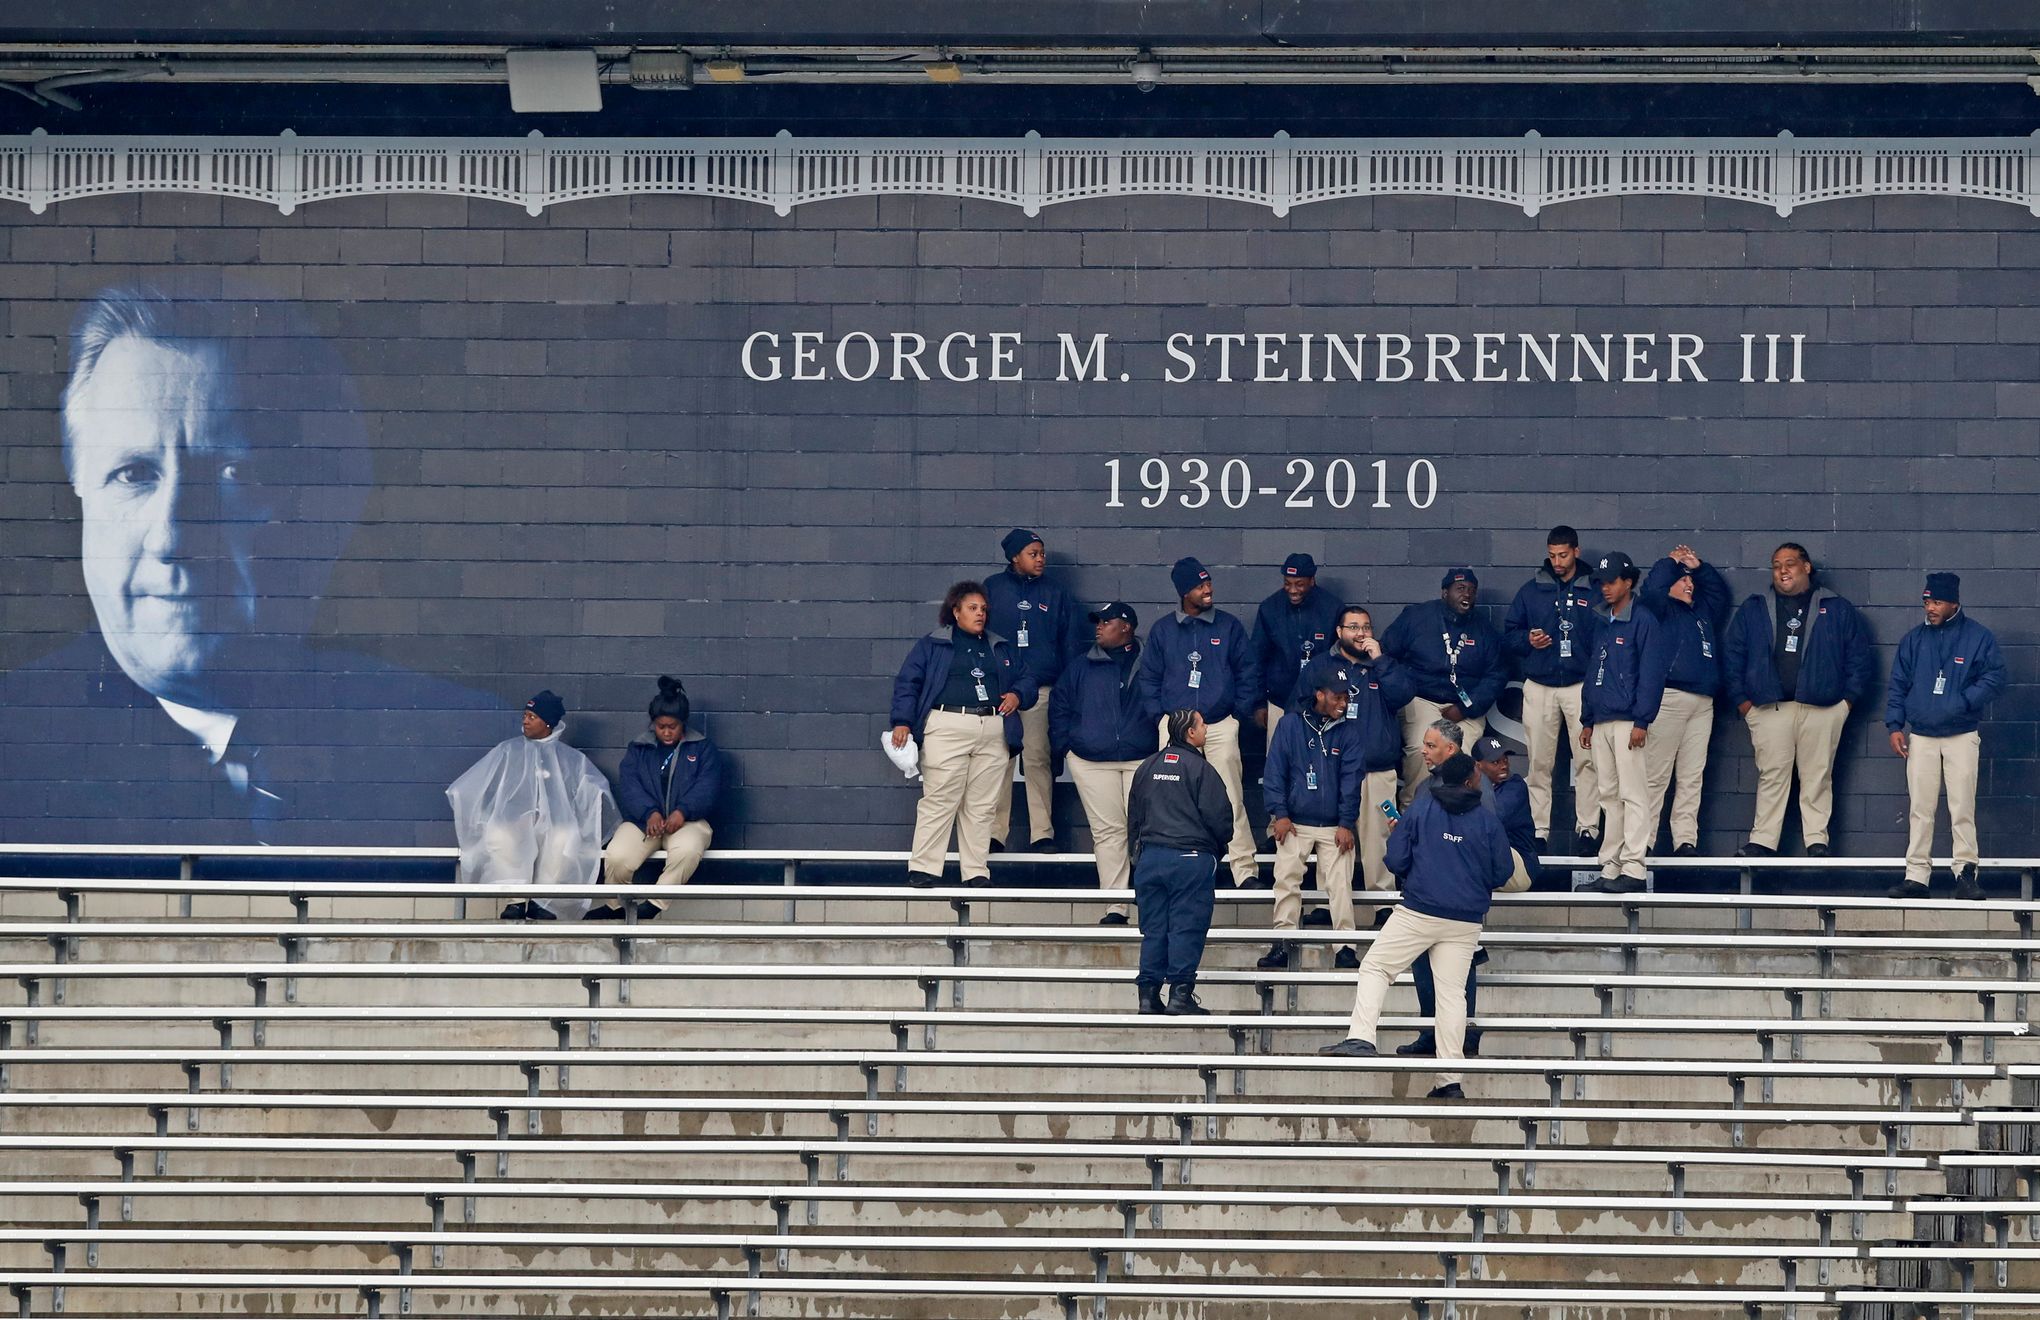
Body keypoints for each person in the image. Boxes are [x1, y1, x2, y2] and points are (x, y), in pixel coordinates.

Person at [0, 285, 500, 845]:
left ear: (326, 511)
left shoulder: (471, 755)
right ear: (80, 491)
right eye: (133, 474)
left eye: (233, 476)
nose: (170, 537)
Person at [1320, 751, 1513, 1101]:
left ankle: (1362, 1038)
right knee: (1452, 996)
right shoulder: (1487, 820)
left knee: (1376, 967)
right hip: (1465, 919)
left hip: (1419, 910)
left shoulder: (1422, 809)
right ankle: (1449, 1081)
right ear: (1473, 780)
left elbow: (1394, 858)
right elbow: (1502, 872)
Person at [1722, 543, 1876, 858]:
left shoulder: (1836, 607)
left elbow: (1859, 659)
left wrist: (1844, 704)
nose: (1782, 570)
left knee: (1817, 776)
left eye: (1790, 563)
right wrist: (1744, 703)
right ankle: (1763, 841)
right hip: (1770, 708)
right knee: (1771, 776)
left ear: (1806, 567)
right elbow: (1732, 656)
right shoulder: (1755, 607)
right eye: (1776, 564)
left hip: (1821, 709)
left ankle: (1817, 841)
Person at [890, 581, 1038, 887]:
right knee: (941, 797)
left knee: (983, 804)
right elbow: (908, 683)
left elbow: (1027, 679)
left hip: (993, 725)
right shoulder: (934, 644)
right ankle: (924, 868)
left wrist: (1017, 696)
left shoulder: (999, 645)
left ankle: (976, 871)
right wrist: (902, 721)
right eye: (972, 608)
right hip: (947, 724)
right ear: (955, 612)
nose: (980, 613)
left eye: (983, 609)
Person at [1399, 734, 1538, 1058]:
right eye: (1494, 761)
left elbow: (1485, 838)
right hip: (1451, 881)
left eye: (1504, 759)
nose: (1502, 765)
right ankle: (1430, 1031)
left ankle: (1465, 1034)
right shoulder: (1430, 786)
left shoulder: (1500, 788)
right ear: (1476, 766)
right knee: (1427, 957)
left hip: (1491, 872)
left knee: (1459, 959)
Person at [1136, 557, 1263, 887]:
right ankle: (1172, 864)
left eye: (1208, 583)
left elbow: (1248, 672)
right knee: (1169, 795)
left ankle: (1244, 871)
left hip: (1218, 725)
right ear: (1182, 592)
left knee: (1231, 796)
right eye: (1199, 586)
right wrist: (1161, 717)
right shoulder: (1164, 629)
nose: (1207, 590)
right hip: (1175, 726)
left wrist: (1236, 711)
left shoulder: (1228, 626)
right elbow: (1148, 677)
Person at [447, 691, 619, 921]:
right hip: (514, 825)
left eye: (532, 716)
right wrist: (511, 817)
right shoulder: (508, 751)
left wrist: (558, 819)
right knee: (499, 835)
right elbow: (484, 788)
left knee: (564, 839)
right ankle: (515, 900)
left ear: (547, 723)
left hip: (556, 828)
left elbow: (592, 791)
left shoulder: (571, 759)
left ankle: (543, 900)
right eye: (525, 715)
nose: (525, 720)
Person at [1886, 573, 2006, 902]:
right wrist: (1895, 725)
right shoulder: (1913, 639)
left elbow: (1996, 677)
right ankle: (1916, 876)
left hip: (1962, 734)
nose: (1931, 608)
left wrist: (1964, 701)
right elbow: (1897, 684)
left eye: (1937, 602)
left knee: (1961, 807)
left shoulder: (1978, 637)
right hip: (1922, 735)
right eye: (1927, 602)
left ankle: (1966, 873)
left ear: (1954, 602)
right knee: (1920, 808)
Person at [1049, 602, 1156, 925]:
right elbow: (1060, 706)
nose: (1098, 627)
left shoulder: (1150, 661)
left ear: (1126, 626)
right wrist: (1066, 748)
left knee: (1149, 832)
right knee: (1108, 833)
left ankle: (1150, 903)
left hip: (1143, 758)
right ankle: (1115, 906)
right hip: (1092, 761)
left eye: (1105, 622)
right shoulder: (1081, 666)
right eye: (1097, 622)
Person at [1126, 709, 1235, 1015]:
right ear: (1190, 733)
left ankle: (1147, 997)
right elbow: (1221, 818)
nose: (1206, 729)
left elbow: (1133, 817)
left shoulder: (1146, 767)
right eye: (1202, 725)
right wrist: (1216, 849)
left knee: (1154, 930)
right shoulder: (1201, 769)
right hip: (1190, 860)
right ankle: (1180, 995)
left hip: (1150, 859)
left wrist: (1138, 856)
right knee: (1186, 928)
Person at [1256, 668, 1364, 971]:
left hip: (1334, 824)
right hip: (1295, 820)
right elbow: (1275, 770)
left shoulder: (1349, 731)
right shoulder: (1290, 724)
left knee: (1340, 883)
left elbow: (1351, 780)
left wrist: (1346, 822)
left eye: (1346, 697)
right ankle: (1283, 942)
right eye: (1337, 696)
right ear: (1319, 694)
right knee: (1286, 878)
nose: (1343, 703)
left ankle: (1345, 947)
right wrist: (1280, 814)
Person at [1503, 526, 1602, 854]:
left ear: (1576, 551)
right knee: (1539, 762)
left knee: (1587, 760)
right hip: (1541, 683)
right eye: (1552, 555)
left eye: (1563, 554)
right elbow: (1510, 634)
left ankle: (1587, 829)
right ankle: (1539, 831)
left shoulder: (1595, 587)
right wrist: (1529, 641)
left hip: (1580, 683)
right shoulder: (1532, 590)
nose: (1557, 562)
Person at [984, 529, 1084, 853]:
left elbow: (1068, 643)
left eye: (1042, 553)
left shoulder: (1056, 593)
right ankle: (996, 833)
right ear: (1015, 557)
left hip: (1041, 689)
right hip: (1001, 691)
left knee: (1037, 757)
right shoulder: (993, 589)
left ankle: (1042, 833)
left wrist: (1066, 689)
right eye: (1033, 553)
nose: (1040, 559)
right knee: (999, 759)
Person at [1579, 552, 1673, 894]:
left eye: (1612, 581)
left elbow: (1651, 673)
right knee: (1608, 795)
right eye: (1601, 582)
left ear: (1628, 582)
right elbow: (1594, 670)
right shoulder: (1601, 619)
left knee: (1634, 794)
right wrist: (1587, 718)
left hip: (1629, 720)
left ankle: (1634, 867)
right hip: (1602, 719)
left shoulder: (1643, 619)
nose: (1605, 588)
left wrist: (1642, 719)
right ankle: (1610, 867)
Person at [592, 676, 725, 921]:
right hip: (645, 822)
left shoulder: (702, 748)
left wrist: (682, 812)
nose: (665, 731)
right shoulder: (639, 748)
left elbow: (707, 788)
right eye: (660, 726)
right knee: (617, 855)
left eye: (671, 727)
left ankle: (654, 903)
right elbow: (630, 785)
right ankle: (616, 906)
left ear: (682, 724)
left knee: (688, 849)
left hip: (687, 822)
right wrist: (649, 812)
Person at [1382, 568, 1507, 810]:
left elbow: (1496, 674)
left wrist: (1466, 706)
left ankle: (1456, 812)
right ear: (1444, 592)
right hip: (1422, 698)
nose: (1467, 595)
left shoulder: (1484, 629)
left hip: (1465, 706)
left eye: (1471, 590)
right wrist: (1401, 687)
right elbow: (1387, 652)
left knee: (1462, 756)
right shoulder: (1417, 617)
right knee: (1424, 749)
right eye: (1460, 589)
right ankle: (1413, 809)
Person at [1315, 607, 1415, 906]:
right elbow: (1303, 708)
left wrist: (1380, 660)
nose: (1361, 633)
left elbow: (1403, 695)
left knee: (1379, 841)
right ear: (1339, 632)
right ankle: (1326, 903)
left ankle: (1383, 902)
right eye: (1353, 627)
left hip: (1377, 769)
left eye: (1366, 627)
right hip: (1333, 768)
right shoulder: (1323, 664)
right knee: (1331, 840)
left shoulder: (1382, 665)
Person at [1635, 546, 1731, 856]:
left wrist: (1697, 566)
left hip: (1703, 701)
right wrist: (1672, 562)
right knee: (1655, 775)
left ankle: (1685, 840)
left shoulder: (1702, 610)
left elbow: (1720, 595)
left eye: (1691, 580)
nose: (1689, 584)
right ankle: (1643, 841)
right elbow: (1651, 588)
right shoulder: (1658, 609)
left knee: (1692, 775)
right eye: (1682, 580)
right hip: (1669, 698)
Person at [1251, 553, 1343, 748]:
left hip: (1322, 702)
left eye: (1299, 584)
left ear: (1312, 580)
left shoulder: (1333, 608)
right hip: (1279, 701)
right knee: (1280, 761)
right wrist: (1259, 703)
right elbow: (1257, 658)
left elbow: (1341, 658)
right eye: (1287, 583)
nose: (1292, 590)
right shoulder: (1270, 608)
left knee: (1321, 758)